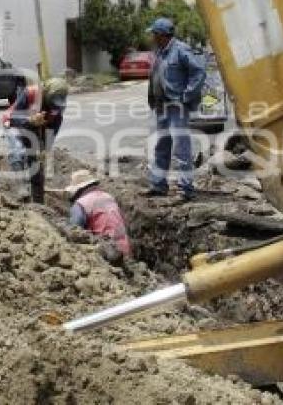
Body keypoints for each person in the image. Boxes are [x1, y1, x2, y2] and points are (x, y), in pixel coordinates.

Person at [143, 17, 206, 201]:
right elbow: (154, 76)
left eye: (154, 33)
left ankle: (186, 189)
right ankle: (158, 185)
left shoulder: (181, 50)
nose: (152, 37)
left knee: (181, 148)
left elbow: (199, 72)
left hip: (177, 106)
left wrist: (187, 96)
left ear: (162, 35)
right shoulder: (160, 52)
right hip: (162, 106)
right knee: (161, 146)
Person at [2, 78, 69, 202]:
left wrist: (44, 150)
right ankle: (21, 187)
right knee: (18, 150)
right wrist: (30, 120)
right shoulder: (30, 94)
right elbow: (13, 117)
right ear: (47, 95)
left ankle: (39, 202)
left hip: (34, 129)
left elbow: (50, 135)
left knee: (36, 163)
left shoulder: (57, 114)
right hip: (14, 124)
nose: (55, 107)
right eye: (53, 103)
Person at [66, 170, 132, 257]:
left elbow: (74, 231)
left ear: (78, 190)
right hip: (124, 247)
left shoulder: (81, 204)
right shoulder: (108, 197)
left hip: (106, 251)